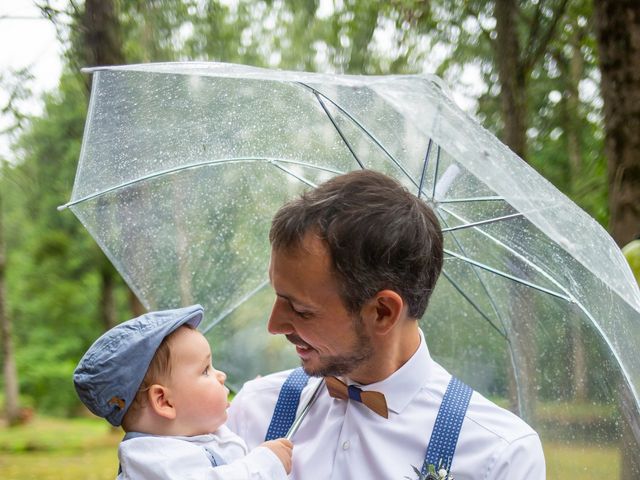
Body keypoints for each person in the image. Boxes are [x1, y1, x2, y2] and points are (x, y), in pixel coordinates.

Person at [226, 170, 545, 479]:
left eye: (301, 310)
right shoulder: (253, 410)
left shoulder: (499, 456)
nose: (274, 325)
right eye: (278, 296)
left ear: (382, 312)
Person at [73, 305, 293, 480]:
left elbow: (225, 441)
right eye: (206, 370)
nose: (221, 375)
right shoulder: (152, 461)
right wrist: (266, 464)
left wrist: (255, 398)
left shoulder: (189, 437)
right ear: (164, 401)